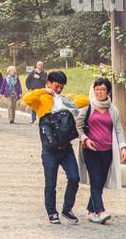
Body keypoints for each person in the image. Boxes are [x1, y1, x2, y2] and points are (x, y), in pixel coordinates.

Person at [23, 69, 89, 224]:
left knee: (74, 178)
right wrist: (43, 91)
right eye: (56, 86)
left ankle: (67, 209)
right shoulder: (41, 99)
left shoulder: (64, 98)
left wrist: (67, 98)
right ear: (49, 83)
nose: (58, 90)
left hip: (66, 148)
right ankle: (52, 212)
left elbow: (85, 101)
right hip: (49, 149)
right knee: (50, 183)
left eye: (61, 87)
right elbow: (27, 98)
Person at [76, 77, 126, 222]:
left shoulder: (113, 110)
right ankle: (100, 211)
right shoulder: (88, 107)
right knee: (96, 179)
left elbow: (118, 130)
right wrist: (85, 139)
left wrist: (122, 147)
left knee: (100, 182)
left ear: (108, 91)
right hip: (90, 149)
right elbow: (78, 126)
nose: (99, 92)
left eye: (103, 89)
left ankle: (90, 210)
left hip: (107, 151)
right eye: (97, 89)